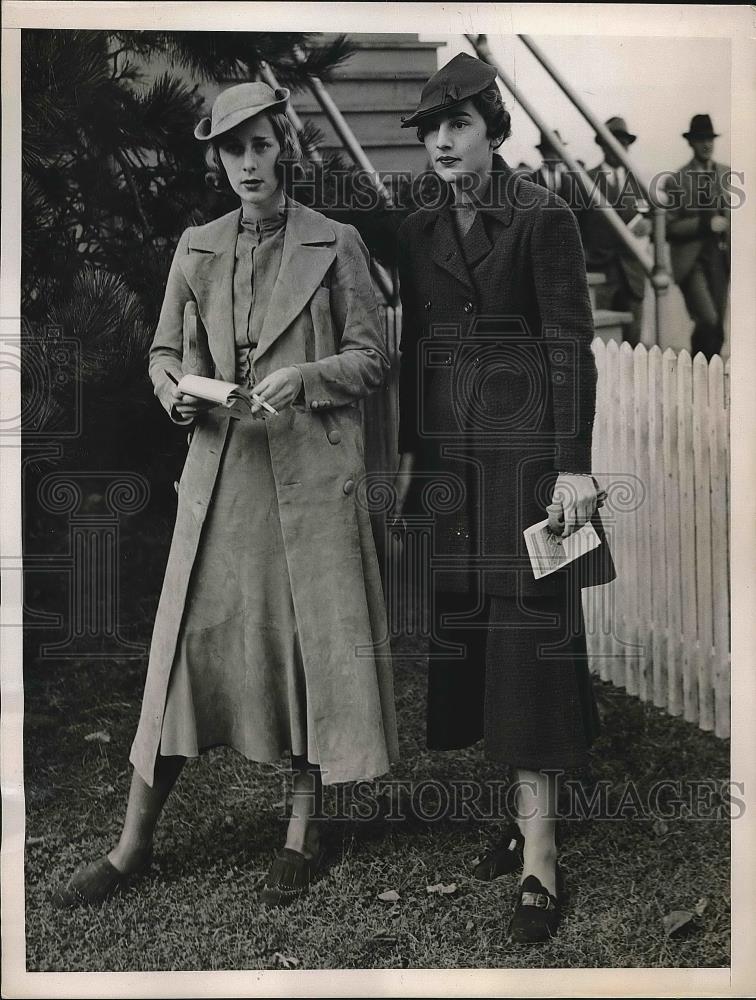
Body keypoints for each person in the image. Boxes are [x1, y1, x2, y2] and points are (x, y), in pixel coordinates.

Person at [52, 82, 398, 908]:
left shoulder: (335, 242)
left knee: (306, 647)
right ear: (218, 159)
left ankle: (302, 831)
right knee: (179, 656)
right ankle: (132, 846)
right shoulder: (196, 247)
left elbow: (373, 358)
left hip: (309, 481)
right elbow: (163, 352)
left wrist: (306, 376)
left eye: (262, 145)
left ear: (287, 149)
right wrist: (173, 389)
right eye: (232, 149)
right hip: (221, 482)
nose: (249, 162)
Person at [394, 52, 614, 943]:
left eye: (460, 126)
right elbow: (416, 350)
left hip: (528, 471)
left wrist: (573, 467)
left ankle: (541, 864)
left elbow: (571, 346)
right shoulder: (418, 226)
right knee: (481, 649)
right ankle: (514, 818)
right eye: (433, 130)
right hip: (455, 472)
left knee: (532, 655)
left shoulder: (543, 217)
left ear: (495, 129)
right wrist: (415, 458)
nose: (444, 144)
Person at [578, 116, 652, 347]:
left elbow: (658, 215)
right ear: (602, 145)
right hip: (600, 273)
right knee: (599, 345)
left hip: (633, 276)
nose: (618, 148)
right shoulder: (585, 181)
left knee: (633, 344)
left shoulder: (638, 182)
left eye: (623, 143)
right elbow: (572, 226)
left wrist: (650, 223)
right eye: (612, 142)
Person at [664, 114, 731, 360]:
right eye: (700, 139)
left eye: (710, 139)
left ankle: (701, 380)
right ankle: (695, 369)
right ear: (690, 143)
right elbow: (669, 227)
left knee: (718, 328)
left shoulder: (727, 174)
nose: (706, 144)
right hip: (692, 262)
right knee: (708, 318)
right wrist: (705, 224)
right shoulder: (677, 180)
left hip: (722, 259)